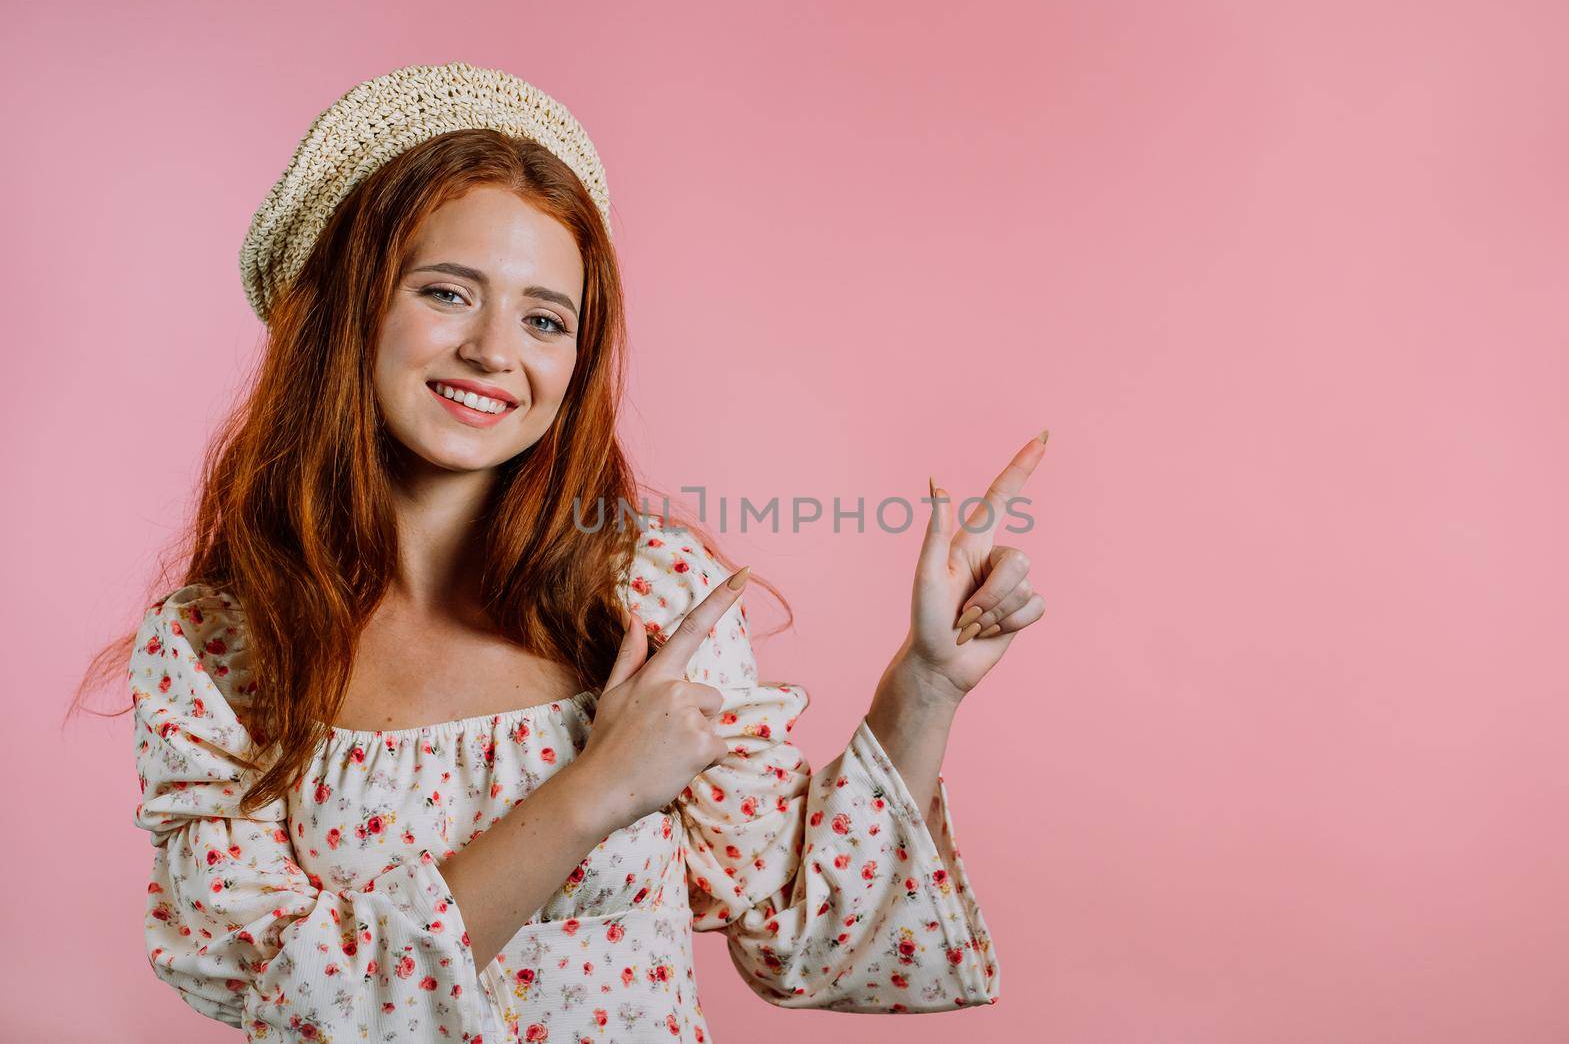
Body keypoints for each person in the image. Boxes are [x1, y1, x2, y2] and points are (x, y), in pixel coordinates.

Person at [117, 62, 1046, 1042]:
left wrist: (930, 683)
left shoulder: (650, 592)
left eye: (545, 318)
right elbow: (294, 996)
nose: (493, 349)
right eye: (445, 291)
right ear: (347, 309)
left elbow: (809, 941)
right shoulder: (219, 650)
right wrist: (594, 790)